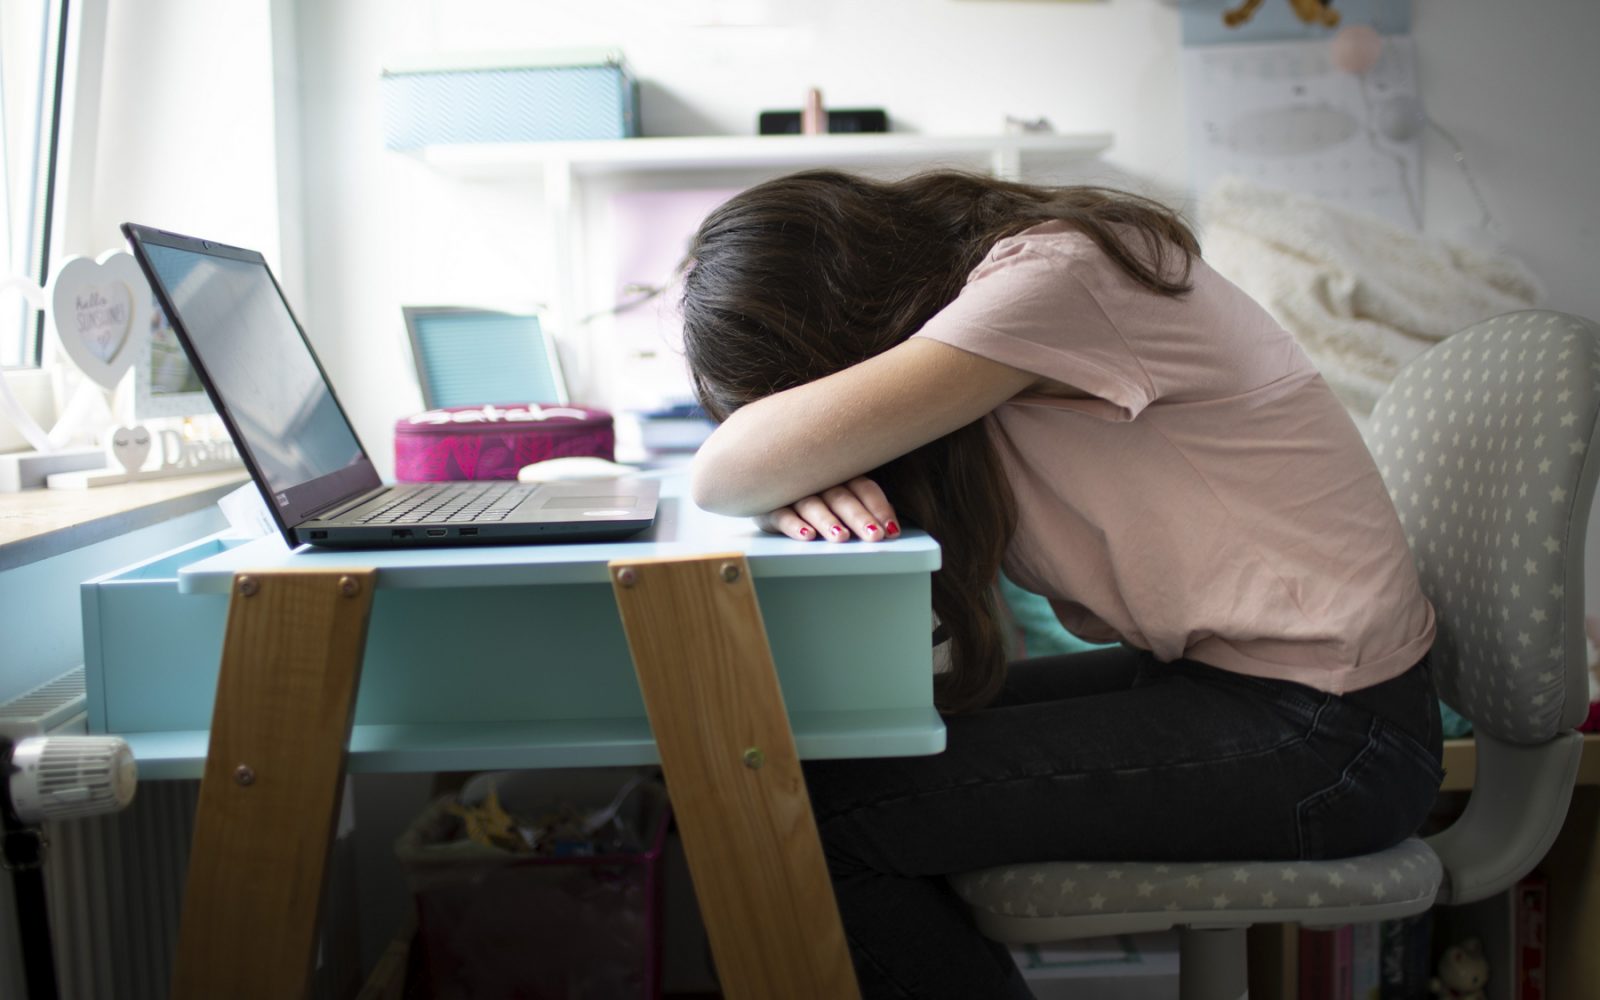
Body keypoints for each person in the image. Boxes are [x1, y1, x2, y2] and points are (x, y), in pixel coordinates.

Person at [679, 169, 1442, 998]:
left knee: (811, 812)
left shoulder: (1058, 279)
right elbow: (748, 464)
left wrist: (788, 460)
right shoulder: (1013, 303)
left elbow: (724, 469)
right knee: (832, 758)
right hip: (1257, 694)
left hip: (1336, 737)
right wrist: (801, 472)